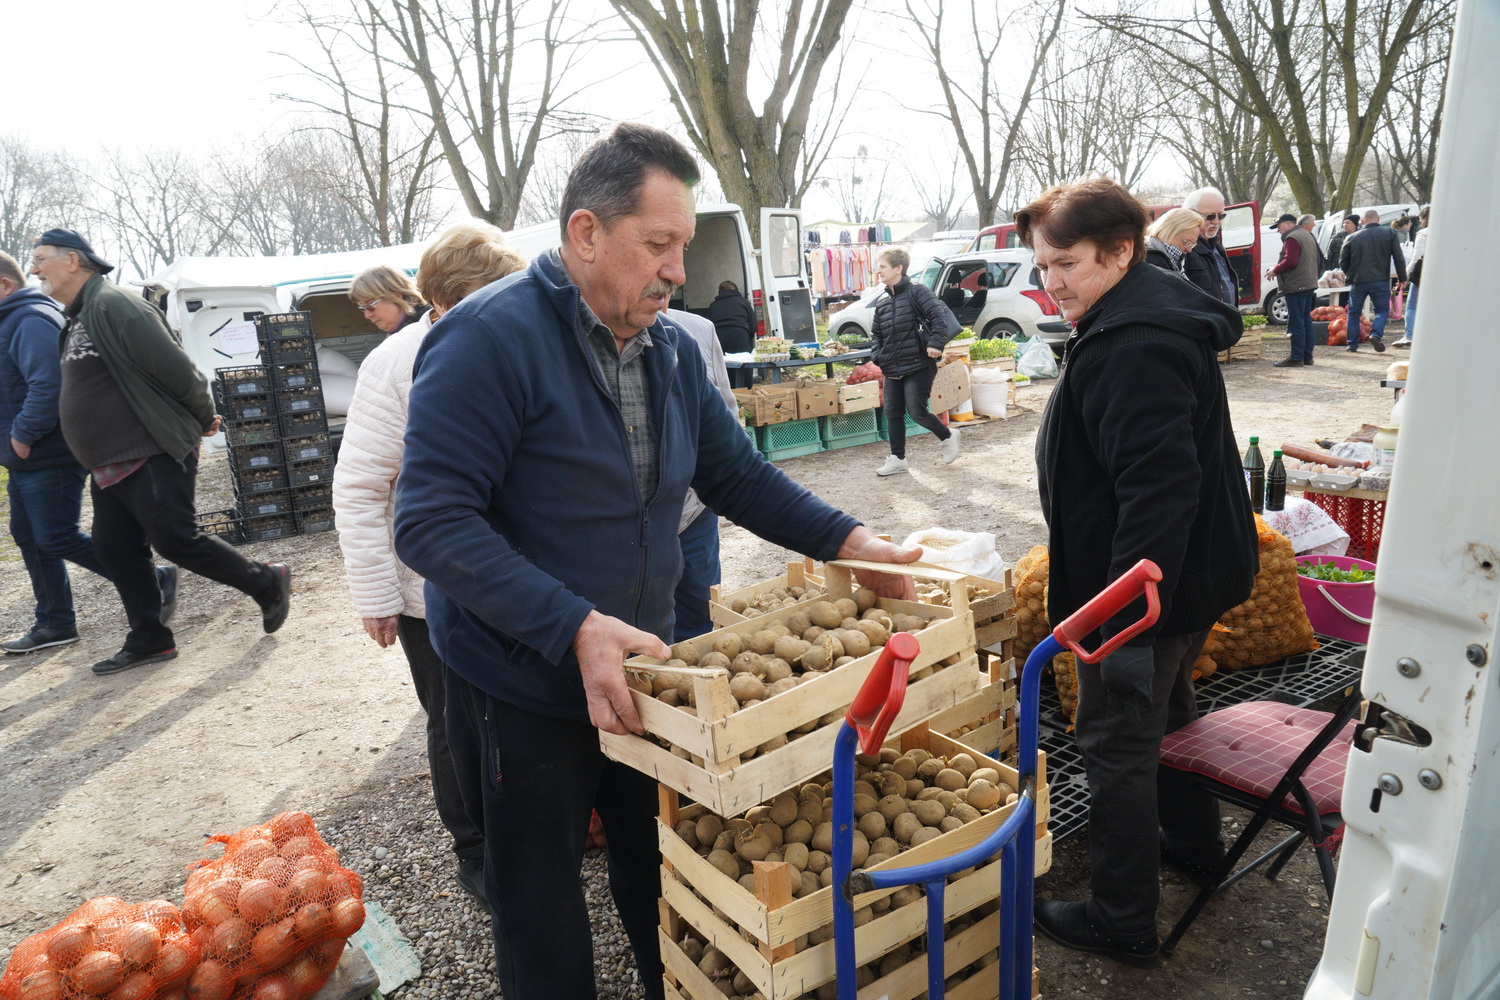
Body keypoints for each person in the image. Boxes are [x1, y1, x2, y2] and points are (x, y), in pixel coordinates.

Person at [390, 122, 920, 1000]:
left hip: (645, 668)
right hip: (521, 678)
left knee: (662, 870)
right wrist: (573, 627)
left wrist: (852, 541)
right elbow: (430, 522)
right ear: (586, 233)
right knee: (539, 903)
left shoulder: (667, 348)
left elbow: (736, 475)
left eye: (683, 245)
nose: (677, 269)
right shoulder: (489, 338)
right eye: (659, 244)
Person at [1014, 177, 1258, 968]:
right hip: (1187, 580)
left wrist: (1120, 625)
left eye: (1066, 264)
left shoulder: (1136, 342)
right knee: (1171, 713)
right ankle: (1194, 846)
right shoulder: (1137, 309)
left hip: (1145, 592)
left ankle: (1121, 919)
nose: (1051, 283)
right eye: (1042, 266)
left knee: (1115, 741)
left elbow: (1159, 491)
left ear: (1121, 252)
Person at [333, 221, 525, 912]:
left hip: (515, 579)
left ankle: (532, 833)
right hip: (432, 588)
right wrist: (377, 595)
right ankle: (475, 849)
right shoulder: (396, 363)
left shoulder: (522, 343)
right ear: (445, 301)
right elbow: (360, 485)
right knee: (452, 720)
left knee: (521, 711)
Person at [30, 229, 290, 675]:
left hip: (148, 445)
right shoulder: (79, 316)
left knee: (174, 537)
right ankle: (150, 638)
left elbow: (178, 368)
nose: (34, 269)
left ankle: (266, 581)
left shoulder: (115, 305)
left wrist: (204, 417)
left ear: (72, 260)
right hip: (111, 459)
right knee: (114, 548)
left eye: (40, 259)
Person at [0, 252, 179, 655]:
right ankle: (55, 622)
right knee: (29, 536)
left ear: (5, 285)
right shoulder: (12, 320)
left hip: (47, 451)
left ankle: (154, 579)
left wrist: (22, 436)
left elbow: (49, 384)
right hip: (26, 456)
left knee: (55, 535)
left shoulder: (29, 320)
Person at [662, 307, 737, 642]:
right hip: (624, 533)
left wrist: (844, 539)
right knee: (636, 637)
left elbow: (727, 420)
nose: (677, 282)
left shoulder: (698, 331)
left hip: (693, 515)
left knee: (700, 623)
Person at [870, 247, 961, 477]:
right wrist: (878, 356)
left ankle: (948, 436)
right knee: (892, 412)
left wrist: (935, 343)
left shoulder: (918, 292)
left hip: (919, 363)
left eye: (882, 266)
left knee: (917, 410)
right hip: (891, 367)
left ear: (898, 268)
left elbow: (939, 317)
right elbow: (876, 334)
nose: (878, 271)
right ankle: (898, 459)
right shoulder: (882, 301)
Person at [1339, 209, 1408, 352]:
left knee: (1353, 312)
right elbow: (1398, 257)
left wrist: (1350, 274)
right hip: (1380, 279)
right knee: (1381, 310)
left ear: (1362, 221)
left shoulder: (1351, 237)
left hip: (1358, 280)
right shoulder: (1389, 233)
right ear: (1378, 219)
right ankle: (1375, 334)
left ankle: (1352, 344)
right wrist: (1402, 278)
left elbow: (1343, 261)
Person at [1266, 212, 1320, 367]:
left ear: (1288, 224)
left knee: (1296, 322)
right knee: (1305, 321)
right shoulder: (1307, 235)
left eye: (1279, 226)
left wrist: (1275, 270)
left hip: (1296, 285)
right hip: (1308, 283)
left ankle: (1296, 357)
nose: (1278, 230)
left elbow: (1291, 261)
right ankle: (1307, 356)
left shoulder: (1292, 237)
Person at [1181, 187, 1238, 304]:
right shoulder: (1184, 248)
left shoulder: (1217, 248)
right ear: (1190, 214)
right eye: (1210, 216)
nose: (1216, 222)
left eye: (1220, 216)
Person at [706, 279, 757, 388]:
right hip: (740, 337)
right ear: (736, 291)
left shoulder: (713, 305)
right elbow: (753, 326)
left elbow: (709, 326)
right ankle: (746, 392)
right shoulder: (744, 302)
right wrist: (748, 338)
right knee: (745, 366)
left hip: (719, 339)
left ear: (720, 292)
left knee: (724, 369)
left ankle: (728, 393)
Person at [349, 264, 427, 333]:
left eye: (370, 305)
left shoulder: (427, 327)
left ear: (396, 296)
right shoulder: (413, 331)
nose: (367, 315)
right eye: (363, 308)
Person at [1394, 205, 1429, 348]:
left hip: (1423, 274)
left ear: (1422, 218)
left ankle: (1409, 335)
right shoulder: (1447, 233)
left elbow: (1416, 258)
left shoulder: (1423, 234)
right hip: (1443, 275)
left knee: (1412, 305)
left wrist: (1404, 277)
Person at [1143, 208, 1204, 277]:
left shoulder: (1173, 260)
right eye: (1188, 242)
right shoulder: (1152, 260)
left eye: (1192, 244)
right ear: (1169, 232)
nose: (1189, 250)